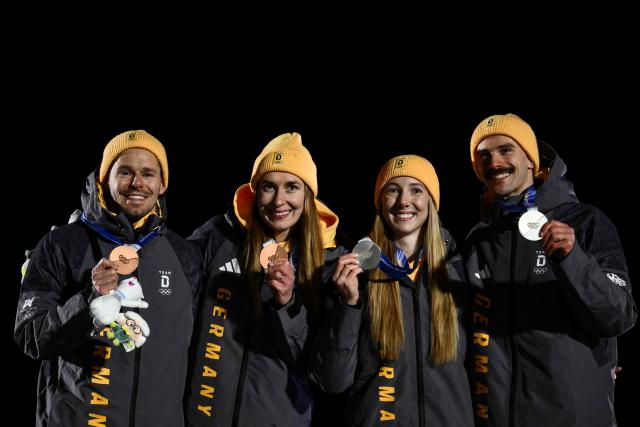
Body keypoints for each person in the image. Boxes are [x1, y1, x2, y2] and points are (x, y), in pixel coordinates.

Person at [14, 130, 201, 427]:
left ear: (162, 183)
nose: (137, 183)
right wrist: (87, 303)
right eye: (125, 172)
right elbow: (29, 335)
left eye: (148, 173)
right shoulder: (62, 244)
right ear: (104, 178)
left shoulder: (185, 255)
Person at [464, 113, 637, 426]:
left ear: (530, 160)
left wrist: (572, 258)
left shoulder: (585, 222)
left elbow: (618, 315)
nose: (494, 162)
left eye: (506, 150)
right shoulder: (477, 240)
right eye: (483, 155)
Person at [184, 132, 341, 426]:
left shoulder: (326, 262)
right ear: (255, 193)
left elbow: (327, 371)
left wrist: (288, 303)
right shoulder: (218, 237)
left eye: (292, 187)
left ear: (307, 196)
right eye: (269, 187)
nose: (279, 200)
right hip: (205, 417)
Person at [311, 154, 474, 426]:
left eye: (416, 190)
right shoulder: (355, 273)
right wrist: (348, 305)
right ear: (380, 202)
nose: (403, 201)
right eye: (393, 190)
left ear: (432, 202)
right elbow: (332, 381)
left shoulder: (460, 271)